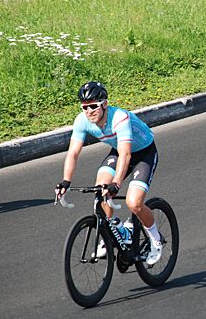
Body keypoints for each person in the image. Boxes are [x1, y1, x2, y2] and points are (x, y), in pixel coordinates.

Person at [55, 81, 162, 265]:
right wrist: (66, 181)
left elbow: (126, 154)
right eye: (85, 107)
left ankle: (155, 240)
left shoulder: (119, 118)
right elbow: (73, 153)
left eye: (94, 106)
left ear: (104, 104)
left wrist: (117, 183)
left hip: (143, 153)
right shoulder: (82, 120)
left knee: (134, 203)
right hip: (118, 152)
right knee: (100, 190)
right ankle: (115, 232)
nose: (89, 111)